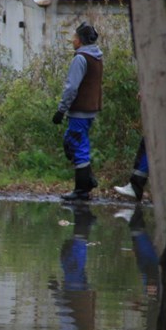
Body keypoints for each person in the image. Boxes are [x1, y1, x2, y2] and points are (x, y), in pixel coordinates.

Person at [52, 22, 103, 201]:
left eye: (74, 37)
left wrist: (61, 110)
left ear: (80, 40)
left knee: (77, 145)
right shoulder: (97, 57)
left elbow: (71, 88)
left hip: (80, 111)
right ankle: (87, 180)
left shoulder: (80, 58)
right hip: (90, 110)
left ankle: (82, 189)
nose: (72, 40)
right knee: (75, 143)